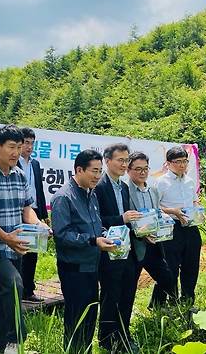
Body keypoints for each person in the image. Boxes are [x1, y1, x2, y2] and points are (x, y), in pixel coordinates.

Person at [0, 124, 50, 354]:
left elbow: (27, 209)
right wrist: (5, 237)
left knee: (5, 291)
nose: (16, 152)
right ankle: (16, 340)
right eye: (11, 147)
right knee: (14, 284)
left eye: (19, 147)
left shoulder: (20, 174)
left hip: (18, 245)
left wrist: (39, 224)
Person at [51, 149, 117, 353]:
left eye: (100, 171)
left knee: (90, 315)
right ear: (79, 169)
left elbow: (95, 225)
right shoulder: (64, 197)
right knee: (76, 316)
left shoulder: (91, 193)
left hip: (92, 264)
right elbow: (62, 235)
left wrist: (107, 235)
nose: (98, 176)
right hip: (74, 267)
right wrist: (92, 240)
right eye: (94, 171)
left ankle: (85, 349)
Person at [94, 143, 141, 353]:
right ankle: (106, 338)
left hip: (127, 248)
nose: (124, 164)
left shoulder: (123, 186)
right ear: (107, 161)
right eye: (120, 160)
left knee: (128, 292)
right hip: (109, 249)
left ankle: (124, 333)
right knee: (110, 294)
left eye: (126, 160)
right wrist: (120, 219)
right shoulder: (99, 186)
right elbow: (97, 220)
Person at [125, 151, 177, 307]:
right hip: (135, 246)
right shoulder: (124, 191)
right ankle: (124, 321)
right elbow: (125, 217)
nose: (143, 172)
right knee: (130, 287)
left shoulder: (153, 190)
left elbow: (157, 212)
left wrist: (165, 222)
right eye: (138, 169)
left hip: (154, 244)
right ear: (128, 170)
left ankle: (156, 306)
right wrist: (141, 234)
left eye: (146, 168)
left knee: (167, 278)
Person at [153, 146, 201, 304]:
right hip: (171, 228)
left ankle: (187, 299)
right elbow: (155, 207)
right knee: (170, 267)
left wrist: (199, 211)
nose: (182, 165)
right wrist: (173, 211)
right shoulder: (161, 182)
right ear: (168, 163)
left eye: (185, 161)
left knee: (191, 265)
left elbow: (194, 200)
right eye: (178, 162)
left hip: (191, 226)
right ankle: (163, 301)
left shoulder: (189, 181)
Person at [16, 127, 48, 303]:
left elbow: (39, 190)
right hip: (18, 211)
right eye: (26, 143)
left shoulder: (35, 164)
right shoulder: (14, 163)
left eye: (31, 143)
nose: (29, 147)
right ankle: (18, 289)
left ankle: (28, 290)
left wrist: (43, 215)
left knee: (33, 251)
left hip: (34, 211)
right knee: (20, 251)